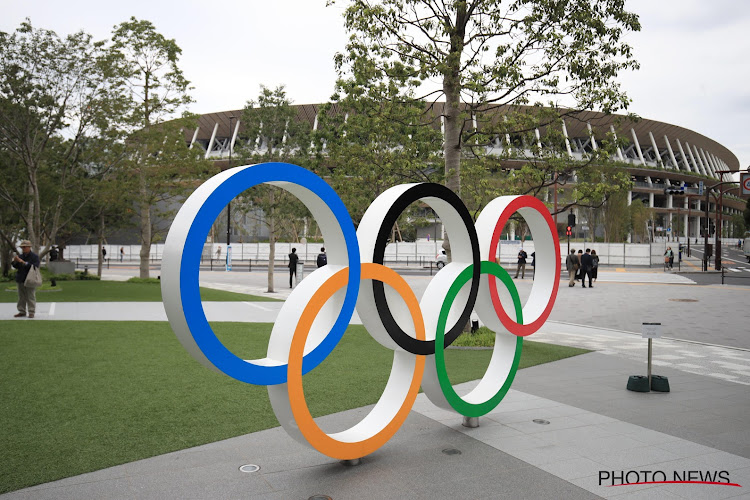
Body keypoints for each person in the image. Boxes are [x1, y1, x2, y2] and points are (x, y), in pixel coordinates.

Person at [12, 240, 40, 318]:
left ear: (29, 247)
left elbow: (35, 266)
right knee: (21, 296)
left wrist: (24, 262)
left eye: (24, 247)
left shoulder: (34, 256)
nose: (23, 249)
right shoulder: (20, 256)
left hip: (30, 278)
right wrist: (15, 261)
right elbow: (16, 266)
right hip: (20, 278)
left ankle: (31, 311)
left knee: (30, 296)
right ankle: (22, 311)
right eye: (22, 247)